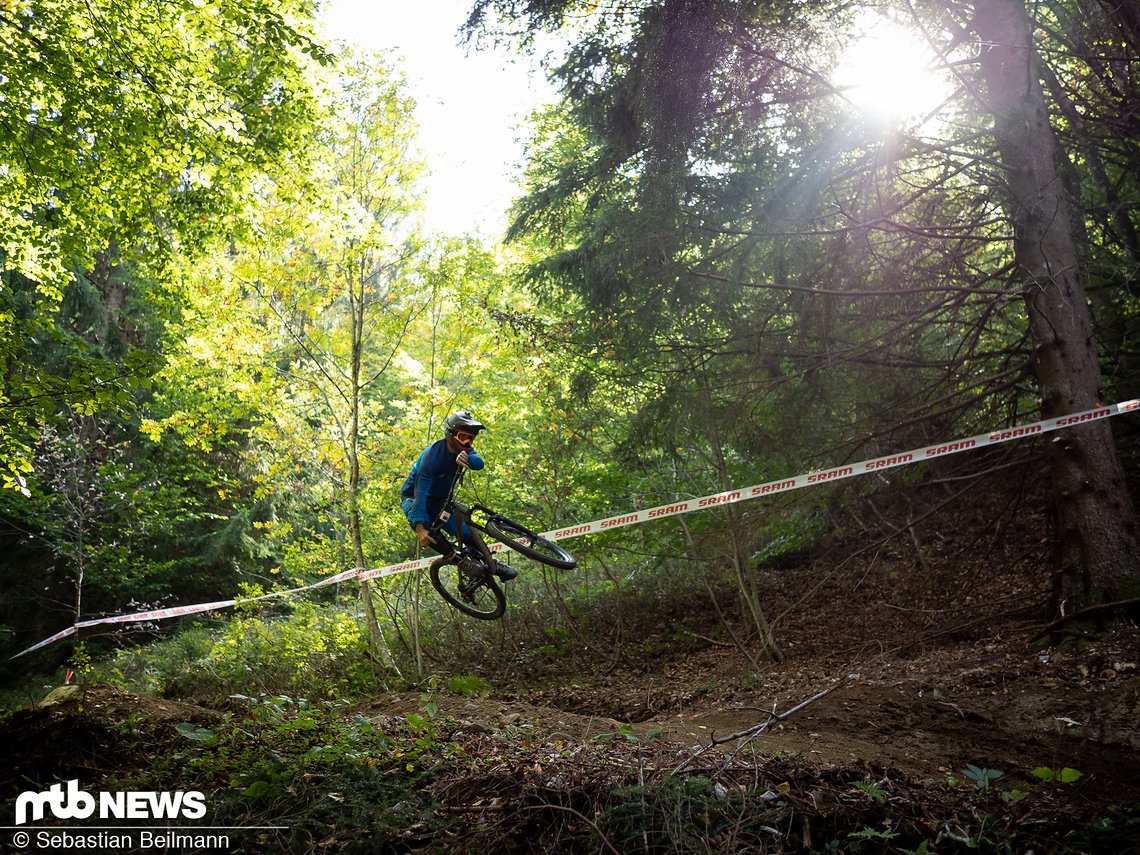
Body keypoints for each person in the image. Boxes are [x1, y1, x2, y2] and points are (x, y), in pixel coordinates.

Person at [400, 411, 517, 581]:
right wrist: (419, 527)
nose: (467, 442)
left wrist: (468, 459)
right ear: (450, 434)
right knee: (428, 533)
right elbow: (420, 494)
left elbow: (479, 464)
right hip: (414, 499)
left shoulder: (464, 449)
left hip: (441, 502)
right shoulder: (431, 457)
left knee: (467, 533)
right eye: (463, 437)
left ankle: (492, 562)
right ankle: (459, 561)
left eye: (471, 438)